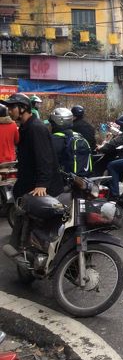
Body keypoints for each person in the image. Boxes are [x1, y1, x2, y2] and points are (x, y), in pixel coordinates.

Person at [2, 93, 63, 259]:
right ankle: (25, 252)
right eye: (8, 107)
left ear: (23, 109)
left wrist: (42, 184)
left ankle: (46, 256)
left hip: (42, 186)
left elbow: (45, 158)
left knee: (42, 225)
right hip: (29, 183)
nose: (9, 111)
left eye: (12, 107)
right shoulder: (25, 127)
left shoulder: (36, 128)